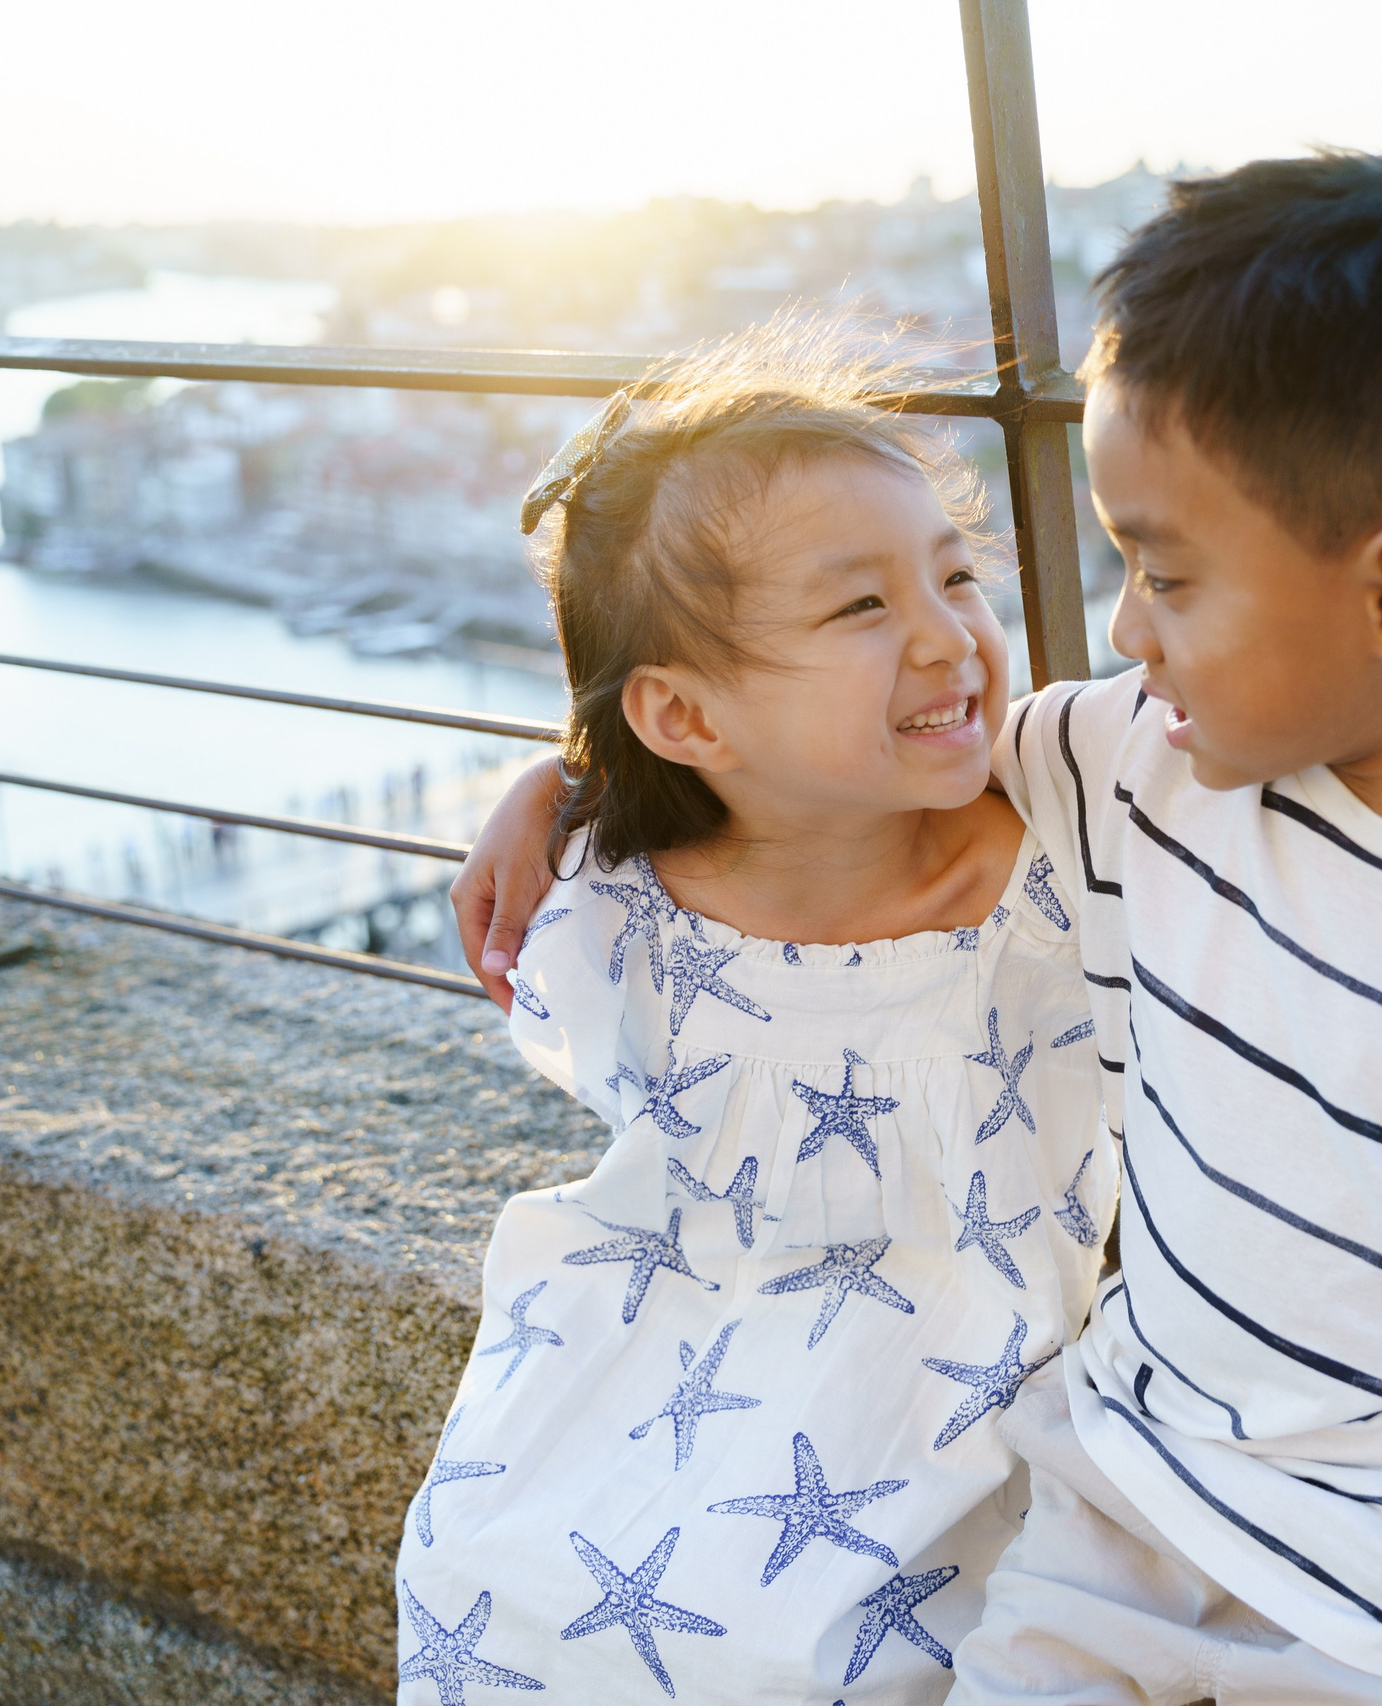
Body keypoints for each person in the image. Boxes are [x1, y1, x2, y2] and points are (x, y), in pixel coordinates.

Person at [458, 156, 1382, 1705]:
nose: (1127, 627)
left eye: (1166, 572)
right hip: (1135, 1493)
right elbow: (821, 754)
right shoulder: (1141, 756)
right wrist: (566, 778)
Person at [403, 322, 1111, 1704]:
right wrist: (560, 785)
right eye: (861, 608)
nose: (948, 633)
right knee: (485, 1573)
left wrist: (558, 780)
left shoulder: (1067, 846)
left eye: (955, 573)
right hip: (691, 1332)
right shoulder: (627, 890)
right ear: (684, 717)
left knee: (801, 1653)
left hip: (975, 1375)